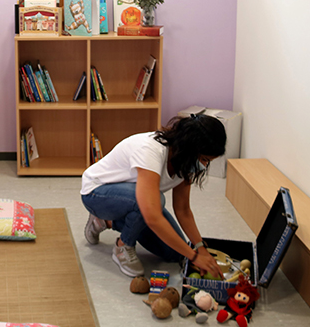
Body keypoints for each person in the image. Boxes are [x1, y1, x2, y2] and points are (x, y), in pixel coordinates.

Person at [81, 114, 226, 279]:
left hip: (131, 199)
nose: (204, 165)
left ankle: (107, 221)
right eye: (204, 159)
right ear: (190, 149)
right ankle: (123, 246)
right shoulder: (151, 151)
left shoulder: (183, 161)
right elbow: (152, 216)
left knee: (174, 252)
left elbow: (183, 209)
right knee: (156, 201)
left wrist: (200, 248)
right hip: (96, 193)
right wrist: (194, 257)